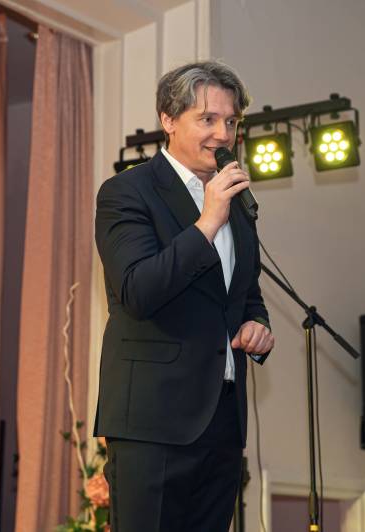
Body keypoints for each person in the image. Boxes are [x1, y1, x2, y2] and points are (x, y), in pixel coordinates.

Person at [93, 60, 275, 532]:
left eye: (231, 121)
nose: (223, 134)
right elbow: (138, 290)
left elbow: (245, 294)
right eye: (207, 119)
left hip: (223, 419)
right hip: (153, 421)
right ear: (168, 120)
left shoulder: (235, 205)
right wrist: (207, 221)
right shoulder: (127, 191)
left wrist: (257, 325)